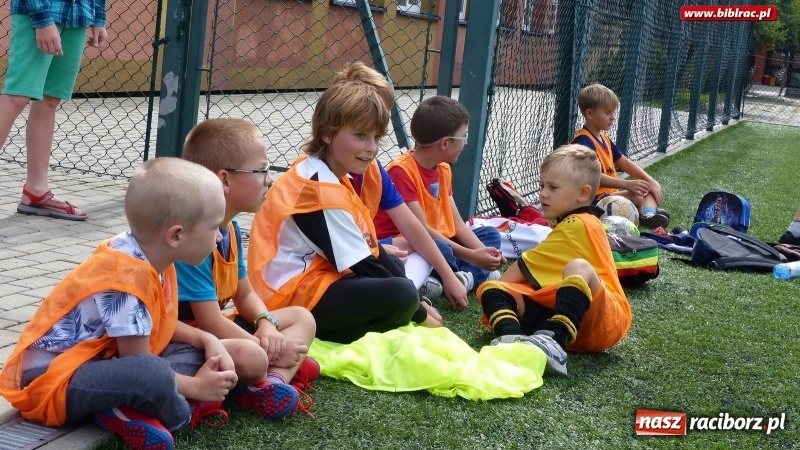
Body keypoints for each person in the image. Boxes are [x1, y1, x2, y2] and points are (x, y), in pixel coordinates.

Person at [0, 158, 276, 450]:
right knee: (151, 375)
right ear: (176, 235)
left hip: (107, 362)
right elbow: (139, 363)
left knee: (231, 355)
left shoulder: (154, 253)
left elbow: (158, 325)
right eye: (213, 228)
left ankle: (137, 408)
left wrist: (207, 338)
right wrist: (196, 386)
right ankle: (182, 408)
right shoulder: (125, 279)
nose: (220, 236)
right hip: (56, 378)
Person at [247, 64, 443, 344]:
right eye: (360, 136)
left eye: (377, 138)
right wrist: (419, 311)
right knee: (401, 294)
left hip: (315, 280)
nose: (372, 148)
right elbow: (365, 263)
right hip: (287, 299)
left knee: (399, 279)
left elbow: (371, 253)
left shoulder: (327, 171)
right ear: (327, 133)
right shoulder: (317, 187)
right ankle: (334, 335)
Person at [178, 118, 319, 416]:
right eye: (261, 170)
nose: (269, 178)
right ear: (224, 180)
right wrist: (270, 347)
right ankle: (266, 377)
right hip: (187, 342)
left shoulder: (229, 228)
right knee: (254, 356)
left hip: (221, 333)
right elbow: (210, 323)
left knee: (302, 317)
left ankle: (271, 383)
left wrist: (266, 322)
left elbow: (244, 295)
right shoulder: (195, 238)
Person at [476, 144, 632, 376]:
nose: (543, 194)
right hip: (577, 326)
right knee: (492, 288)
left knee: (577, 268)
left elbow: (519, 269)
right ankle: (513, 340)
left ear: (583, 193)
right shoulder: (576, 221)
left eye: (553, 187)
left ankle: (554, 344)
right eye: (542, 186)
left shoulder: (576, 225)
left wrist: (496, 296)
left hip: (605, 320)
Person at [332, 62, 469, 309]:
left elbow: (414, 227)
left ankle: (426, 284)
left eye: (378, 133)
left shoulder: (374, 169)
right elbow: (338, 248)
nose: (374, 144)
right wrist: (379, 252)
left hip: (366, 249)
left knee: (432, 251)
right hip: (337, 266)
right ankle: (418, 288)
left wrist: (450, 275)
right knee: (412, 267)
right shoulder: (317, 178)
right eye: (362, 133)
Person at [374, 95, 505, 293]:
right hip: (415, 244)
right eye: (464, 136)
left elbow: (458, 224)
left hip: (443, 239)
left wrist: (485, 253)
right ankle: (467, 276)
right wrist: (473, 256)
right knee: (441, 249)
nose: (466, 143)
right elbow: (422, 231)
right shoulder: (401, 171)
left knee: (489, 234)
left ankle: (465, 275)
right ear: (445, 143)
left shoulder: (443, 168)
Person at [1, 0, 109, 221]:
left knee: (50, 99)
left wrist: (98, 18)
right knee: (16, 97)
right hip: (39, 12)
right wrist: (42, 20)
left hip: (78, 15)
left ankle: (36, 191)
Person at [570, 83, 669, 229]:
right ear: (590, 114)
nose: (613, 117)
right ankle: (645, 214)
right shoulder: (583, 141)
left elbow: (625, 162)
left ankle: (648, 215)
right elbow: (591, 176)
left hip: (611, 196)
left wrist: (650, 180)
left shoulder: (604, 138)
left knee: (646, 188)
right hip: (593, 201)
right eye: (608, 113)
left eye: (613, 112)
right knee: (636, 195)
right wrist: (626, 184)